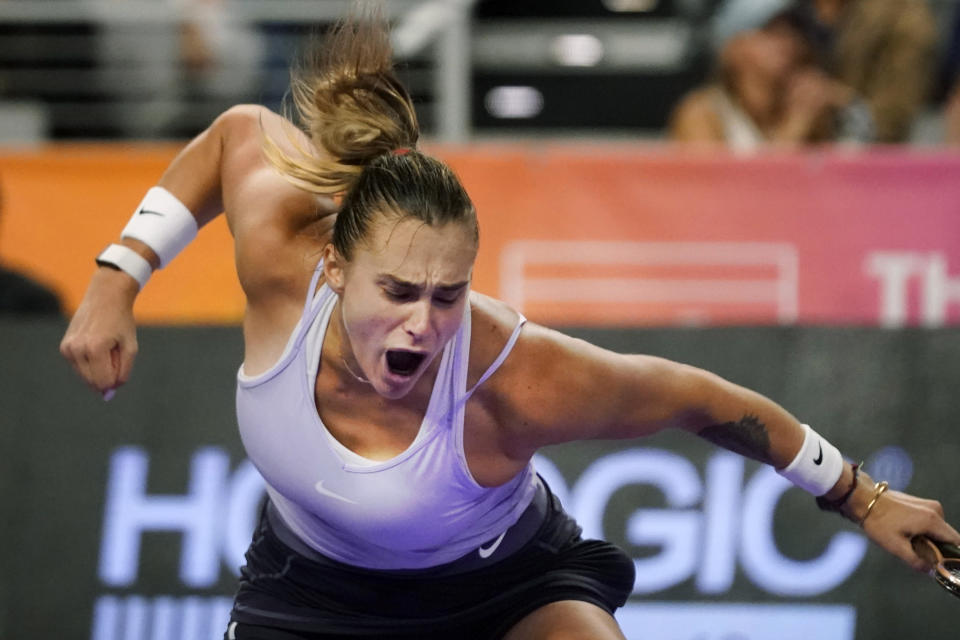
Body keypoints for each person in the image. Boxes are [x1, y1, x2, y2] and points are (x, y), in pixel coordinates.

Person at [60, 9, 960, 640]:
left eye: (449, 295)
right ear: (334, 269)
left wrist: (861, 496)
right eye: (400, 291)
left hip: (506, 590)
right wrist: (117, 277)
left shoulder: (514, 374)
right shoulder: (281, 258)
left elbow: (696, 398)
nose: (424, 324)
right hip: (310, 593)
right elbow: (232, 137)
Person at [669, 0, 864, 150]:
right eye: (770, 31)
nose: (788, 42)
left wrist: (842, 114)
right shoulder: (702, 113)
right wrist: (795, 126)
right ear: (733, 48)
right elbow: (710, 192)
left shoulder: (821, 107)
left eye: (795, 29)